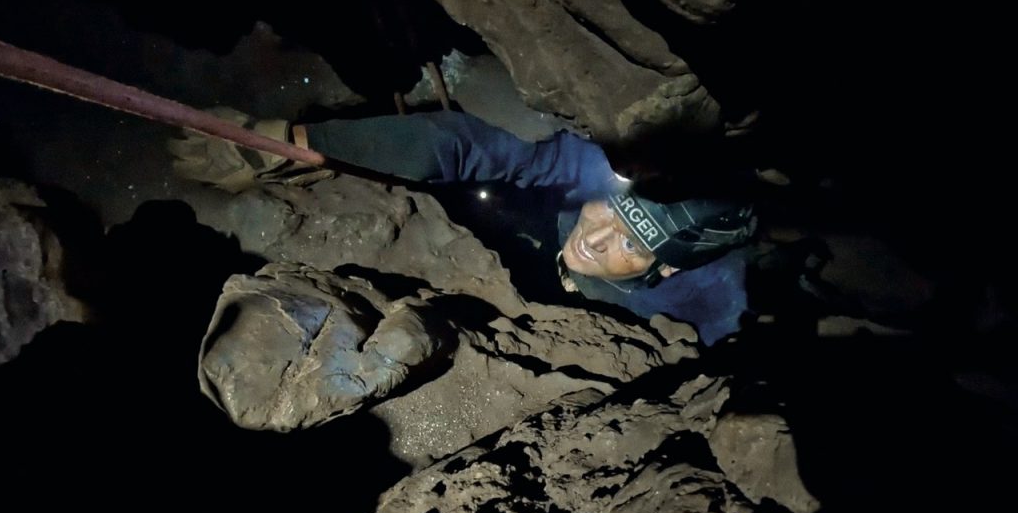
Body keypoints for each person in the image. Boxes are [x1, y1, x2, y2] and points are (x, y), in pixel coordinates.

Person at [283, 110, 758, 346]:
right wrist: (306, 144)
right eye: (606, 211)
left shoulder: (707, 312)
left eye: (630, 242)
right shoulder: (594, 174)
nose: (594, 237)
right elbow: (482, 147)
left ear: (669, 269)